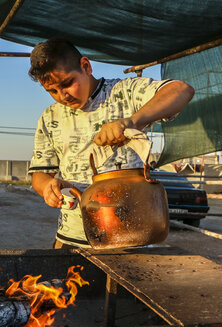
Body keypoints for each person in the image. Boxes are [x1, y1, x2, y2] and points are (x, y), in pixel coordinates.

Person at [27, 38, 194, 248]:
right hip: (71, 239)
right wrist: (48, 188)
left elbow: (181, 90)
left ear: (85, 66)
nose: (63, 96)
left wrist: (132, 121)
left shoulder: (124, 92)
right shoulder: (49, 117)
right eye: (52, 91)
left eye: (67, 83)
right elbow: (40, 175)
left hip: (130, 238)